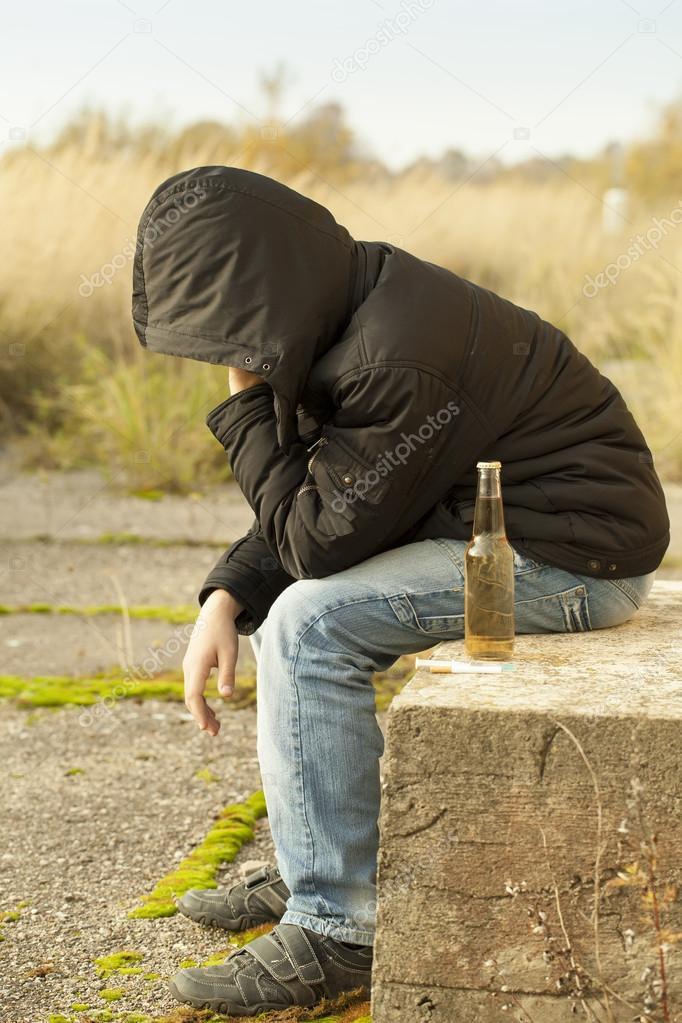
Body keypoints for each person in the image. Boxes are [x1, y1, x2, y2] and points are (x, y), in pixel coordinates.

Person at [131, 165, 669, 1016]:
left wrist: (242, 408)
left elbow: (313, 544)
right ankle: (326, 854)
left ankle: (339, 927)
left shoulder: (395, 353)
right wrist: (227, 595)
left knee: (310, 625)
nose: (224, 357)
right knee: (288, 615)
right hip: (498, 526)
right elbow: (330, 502)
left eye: (223, 335)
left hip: (572, 562)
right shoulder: (349, 305)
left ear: (260, 289)